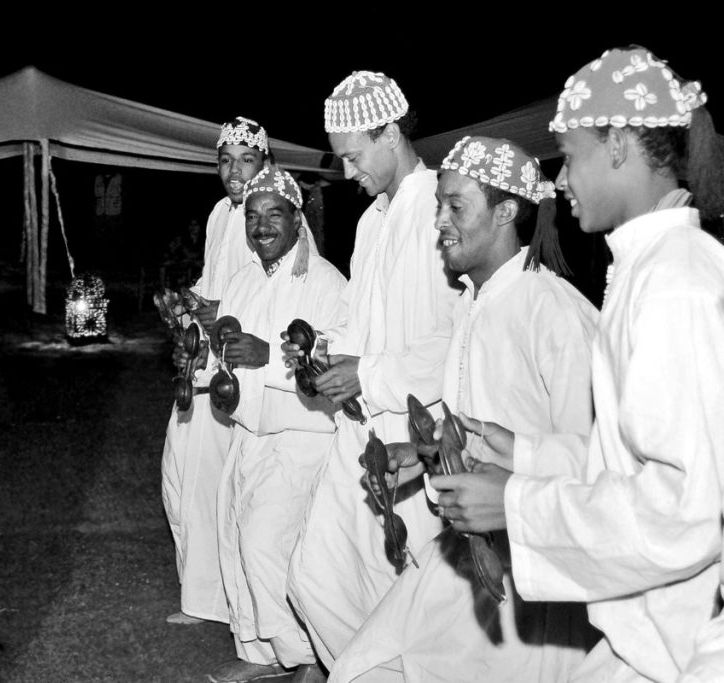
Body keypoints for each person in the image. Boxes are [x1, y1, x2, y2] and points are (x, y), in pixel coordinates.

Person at [432, 47, 724, 683]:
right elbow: (629, 460)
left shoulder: (676, 282)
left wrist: (518, 504)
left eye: (568, 156)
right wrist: (524, 454)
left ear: (616, 145)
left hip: (682, 643)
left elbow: (685, 511)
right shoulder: (649, 269)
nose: (559, 181)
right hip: (646, 630)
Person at [329, 136, 599, 683]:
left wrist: (513, 496)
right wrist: (422, 453)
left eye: (457, 206)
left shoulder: (553, 311)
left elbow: (596, 463)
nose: (440, 222)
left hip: (533, 575)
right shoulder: (472, 302)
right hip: (463, 552)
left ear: (505, 212)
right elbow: (478, 424)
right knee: (363, 664)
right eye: (439, 205)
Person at [284, 71, 462, 669]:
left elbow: (457, 338)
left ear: (390, 134)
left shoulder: (443, 207)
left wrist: (370, 373)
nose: (347, 172)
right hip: (360, 429)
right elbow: (359, 324)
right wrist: (323, 352)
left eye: (354, 156)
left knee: (417, 594)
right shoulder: (369, 221)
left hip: (418, 436)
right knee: (314, 575)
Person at [199, 166, 346, 683]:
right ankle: (259, 652)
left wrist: (269, 358)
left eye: (274, 215)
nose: (261, 226)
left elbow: (335, 361)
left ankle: (307, 655)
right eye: (253, 217)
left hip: (301, 434)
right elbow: (225, 354)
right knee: (238, 538)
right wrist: (203, 359)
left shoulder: (325, 281)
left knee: (267, 543)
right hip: (248, 432)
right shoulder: (242, 280)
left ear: (296, 219)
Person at [160, 117, 270, 626]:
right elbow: (212, 279)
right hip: (205, 357)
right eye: (226, 161)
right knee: (182, 474)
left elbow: (282, 293)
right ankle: (202, 596)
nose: (235, 171)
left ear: (265, 163)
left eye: (247, 160)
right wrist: (185, 306)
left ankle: (232, 604)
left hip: (243, 366)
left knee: (223, 487)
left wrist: (222, 310)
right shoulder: (220, 213)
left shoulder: (273, 212)